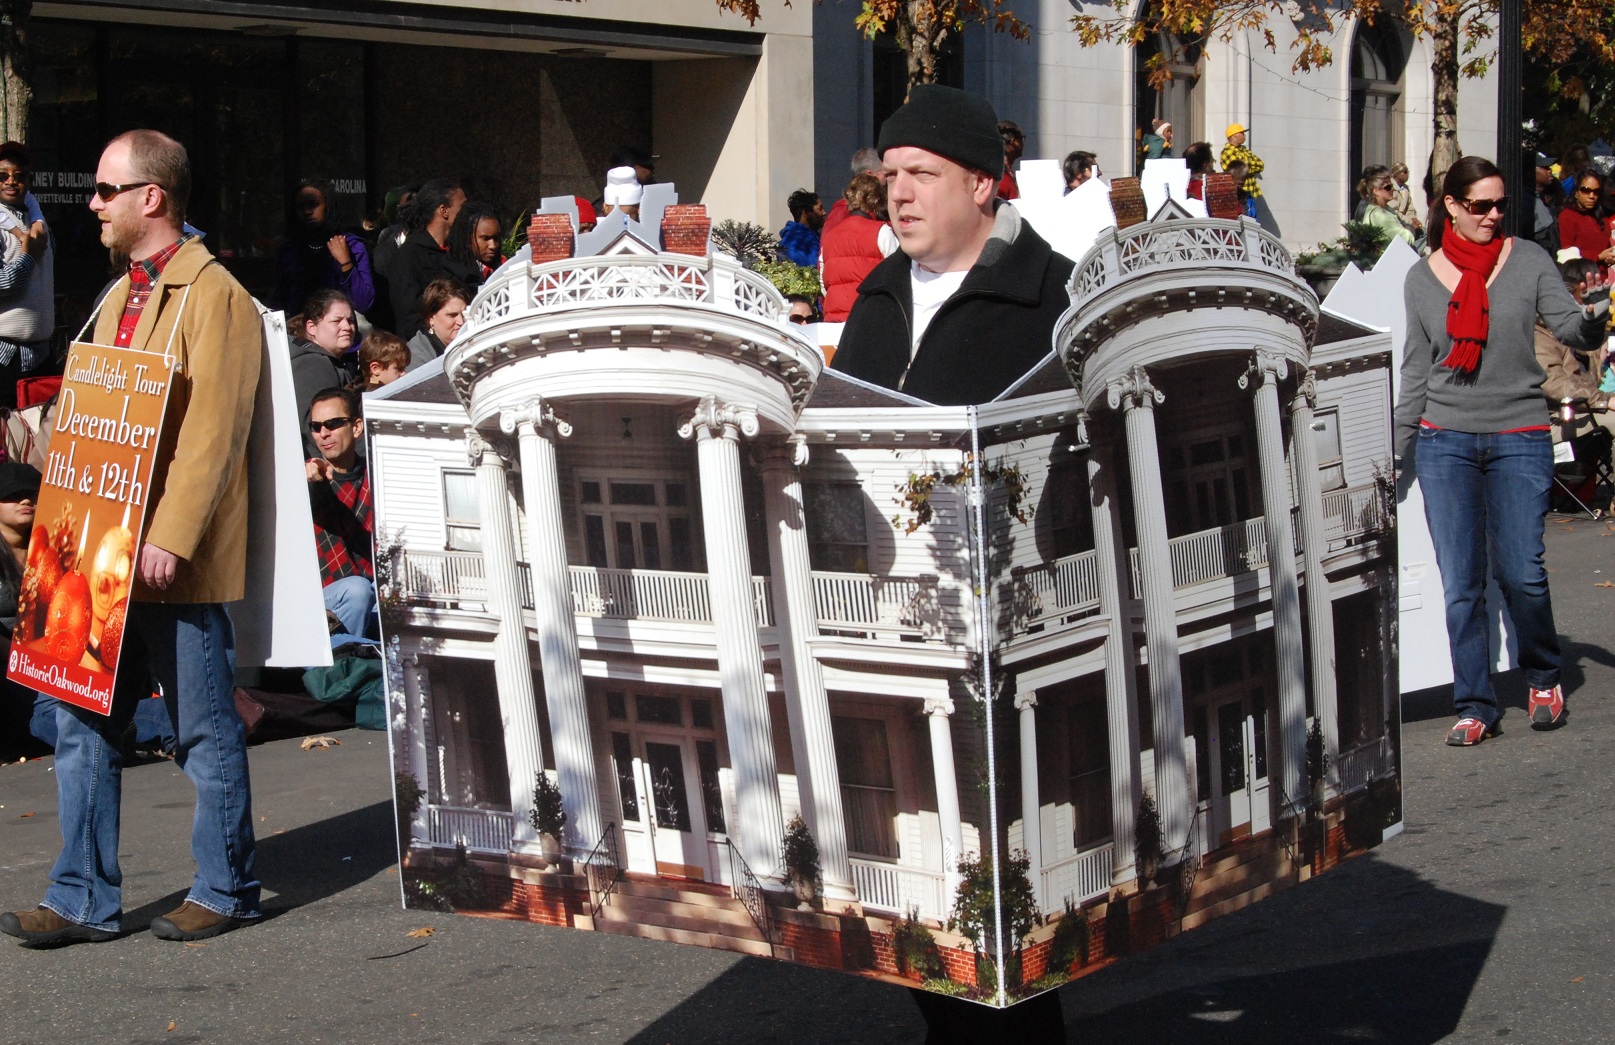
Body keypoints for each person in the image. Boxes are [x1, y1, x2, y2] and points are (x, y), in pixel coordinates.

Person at [0, 129, 262, 947]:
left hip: (164, 556)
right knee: (78, 724)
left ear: (152, 197)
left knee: (201, 726)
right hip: (98, 548)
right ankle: (80, 896)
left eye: (107, 190)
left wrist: (174, 535)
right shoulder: (120, 293)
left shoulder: (214, 293)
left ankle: (226, 887)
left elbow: (215, 432)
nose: (94, 203)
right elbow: (94, 418)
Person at [1394, 155, 1608, 747]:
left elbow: (1568, 326)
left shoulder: (1529, 261)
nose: (1493, 215)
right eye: (1481, 206)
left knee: (1522, 573)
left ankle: (1543, 675)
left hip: (1519, 433)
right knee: (1461, 582)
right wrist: (1393, 450)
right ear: (1452, 208)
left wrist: (1594, 319)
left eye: (1499, 205)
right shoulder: (1421, 278)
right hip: (1446, 439)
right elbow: (1417, 370)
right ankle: (1475, 703)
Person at [831, 85, 1076, 405]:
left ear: (980, 184)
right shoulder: (875, 296)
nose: (899, 193)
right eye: (891, 176)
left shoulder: (1063, 299)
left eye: (922, 174)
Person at [306, 387, 375, 640]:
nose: (323, 433)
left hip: (372, 594)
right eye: (316, 426)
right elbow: (318, 500)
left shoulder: (378, 475)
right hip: (318, 603)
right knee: (358, 592)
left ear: (357, 427)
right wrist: (314, 482)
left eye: (333, 424)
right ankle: (339, 674)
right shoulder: (310, 477)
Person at [271, 179, 375, 323]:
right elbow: (278, 302)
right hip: (299, 335)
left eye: (313, 205)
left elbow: (364, 302)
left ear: (328, 206)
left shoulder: (351, 246)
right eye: (301, 207)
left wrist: (345, 263)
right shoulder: (288, 250)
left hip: (341, 335)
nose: (307, 212)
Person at [0, 462, 47, 763]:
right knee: (47, 716)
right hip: (9, 670)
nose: (26, 500)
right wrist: (25, 661)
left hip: (54, 665)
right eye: (14, 495)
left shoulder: (52, 547)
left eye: (31, 492)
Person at [0, 142, 54, 388]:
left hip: (42, 356)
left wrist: (38, 217)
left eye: (18, 176)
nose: (11, 181)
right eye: (2, 176)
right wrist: (28, 257)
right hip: (4, 359)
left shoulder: (37, 223)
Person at [388, 178, 465, 340]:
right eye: (463, 207)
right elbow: (408, 316)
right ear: (444, 211)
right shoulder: (408, 256)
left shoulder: (459, 253)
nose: (468, 214)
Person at [819, 172, 899, 323]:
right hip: (870, 319)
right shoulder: (881, 231)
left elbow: (824, 284)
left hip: (834, 321)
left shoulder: (830, 236)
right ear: (877, 201)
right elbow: (898, 275)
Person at [289, 288, 357, 443]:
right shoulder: (313, 365)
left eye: (350, 320)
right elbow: (312, 430)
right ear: (312, 327)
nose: (347, 327)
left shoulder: (328, 362)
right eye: (336, 321)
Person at [406, 278, 470, 371]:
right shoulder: (417, 356)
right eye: (452, 315)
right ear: (431, 319)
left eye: (464, 314)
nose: (461, 322)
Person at [1556, 169, 1613, 273]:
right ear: (1576, 192)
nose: (1592, 196)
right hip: (1579, 277)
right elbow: (1566, 253)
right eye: (1586, 190)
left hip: (1602, 276)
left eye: (1596, 191)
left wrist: (1609, 258)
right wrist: (1598, 256)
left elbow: (1605, 246)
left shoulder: (1601, 216)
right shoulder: (1567, 216)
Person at [823, 147, 883, 234]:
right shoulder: (841, 214)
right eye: (885, 172)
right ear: (870, 175)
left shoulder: (880, 207)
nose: (889, 178)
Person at [447, 200, 502, 288]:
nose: (493, 245)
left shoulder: (503, 269)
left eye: (496, 238)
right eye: (485, 238)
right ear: (467, 238)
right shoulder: (453, 276)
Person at [1357, 165, 1415, 248]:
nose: (1392, 189)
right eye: (1388, 187)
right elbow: (1406, 239)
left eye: (1392, 186)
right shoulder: (1379, 214)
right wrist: (1410, 228)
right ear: (1376, 191)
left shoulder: (1382, 208)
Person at [778, 188, 826, 267]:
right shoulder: (793, 242)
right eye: (820, 208)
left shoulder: (814, 237)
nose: (824, 213)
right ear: (806, 213)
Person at [1220, 124, 1264, 203]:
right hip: (1239, 192)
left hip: (1250, 191)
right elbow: (1239, 171)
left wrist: (1246, 164)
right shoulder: (1227, 152)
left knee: (1251, 214)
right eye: (1242, 133)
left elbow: (1260, 164)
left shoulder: (1244, 149)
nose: (1245, 136)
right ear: (1235, 136)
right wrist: (1248, 166)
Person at [1532, 152, 1563, 256]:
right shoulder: (1528, 202)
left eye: (1549, 167)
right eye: (1544, 167)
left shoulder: (1550, 196)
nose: (1550, 171)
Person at [1387, 161, 1424, 237]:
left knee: (1423, 233)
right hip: (1393, 222)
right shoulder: (1389, 188)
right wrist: (1410, 222)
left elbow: (1409, 208)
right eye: (1405, 172)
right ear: (1397, 174)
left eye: (1408, 172)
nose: (1407, 174)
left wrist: (1413, 218)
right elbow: (1393, 211)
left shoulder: (1405, 189)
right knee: (1409, 232)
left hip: (1404, 221)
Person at [997, 120, 1024, 199]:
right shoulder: (1001, 176)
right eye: (1021, 139)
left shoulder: (1007, 171)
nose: (1022, 143)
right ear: (1012, 141)